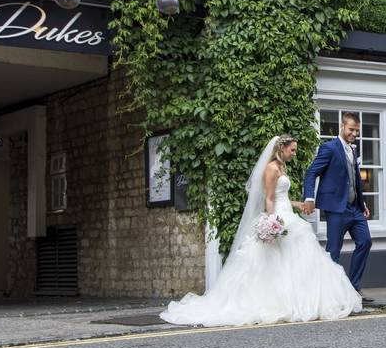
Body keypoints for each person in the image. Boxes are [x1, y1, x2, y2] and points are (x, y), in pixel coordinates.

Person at [160, 135, 362, 326]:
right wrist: (273, 222)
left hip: (287, 213)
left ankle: (295, 300)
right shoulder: (271, 169)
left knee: (296, 261)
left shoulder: (281, 167)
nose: (294, 153)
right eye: (292, 150)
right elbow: (268, 198)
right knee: (276, 264)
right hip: (279, 217)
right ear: (281, 148)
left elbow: (281, 196)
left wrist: (297, 204)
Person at [303, 112, 374, 303]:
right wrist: (309, 197)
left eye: (357, 131)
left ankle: (353, 288)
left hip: (355, 208)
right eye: (351, 129)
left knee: (365, 242)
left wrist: (362, 202)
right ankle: (329, 293)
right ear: (342, 126)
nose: (354, 134)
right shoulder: (329, 148)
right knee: (334, 250)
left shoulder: (353, 150)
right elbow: (311, 173)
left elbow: (354, 179)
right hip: (336, 209)